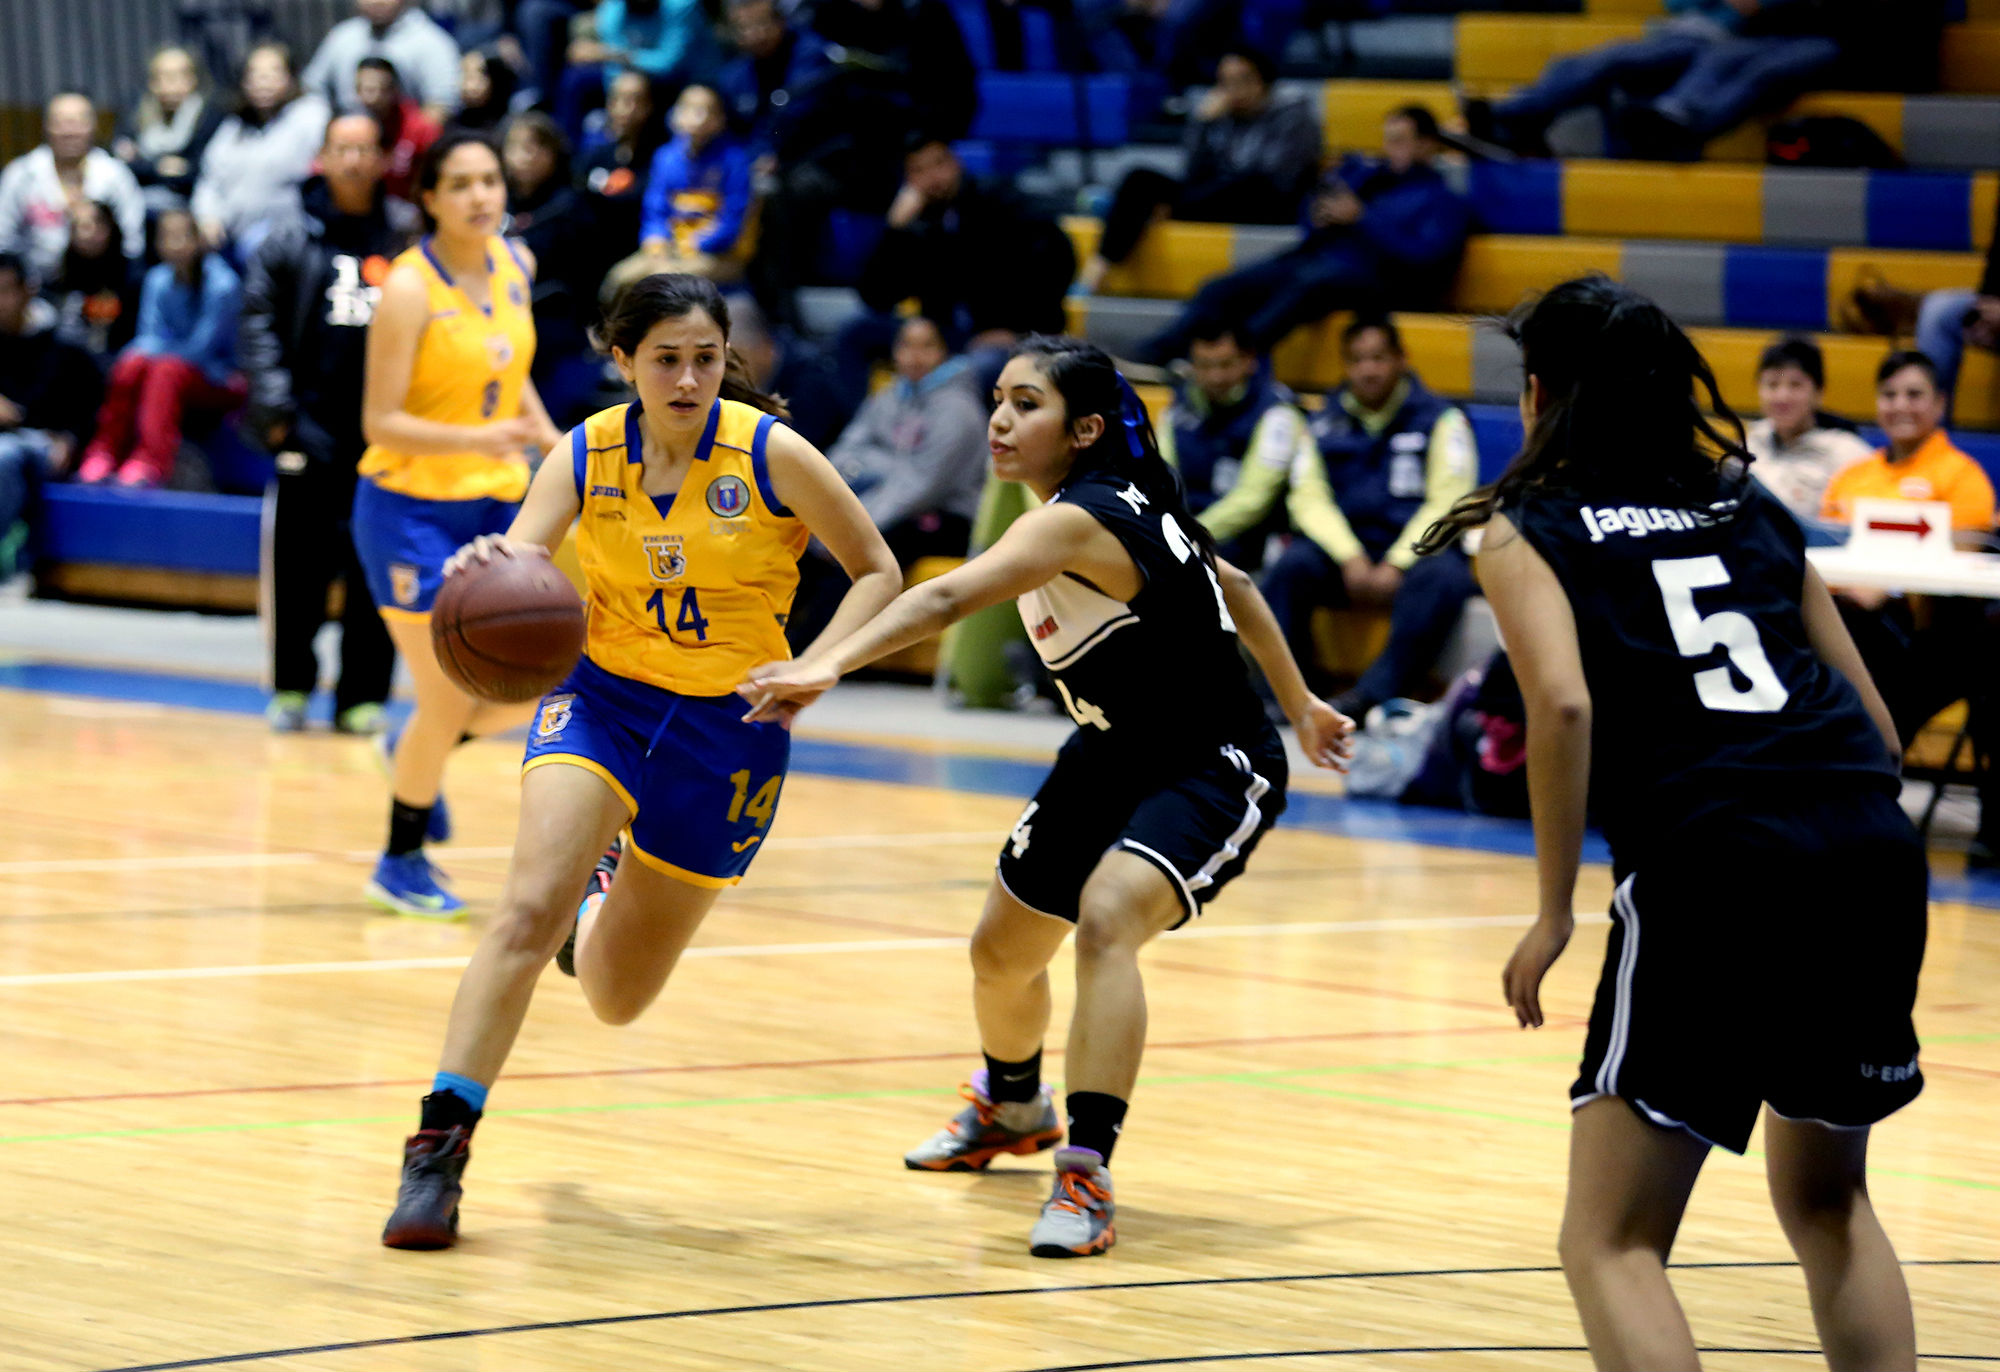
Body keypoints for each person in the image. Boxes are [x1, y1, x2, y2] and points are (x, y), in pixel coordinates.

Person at [741, 336, 1352, 1258]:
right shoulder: (1131, 504)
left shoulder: (1078, 519)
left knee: (1108, 919)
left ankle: (1085, 1172)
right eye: (996, 398)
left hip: (1211, 762)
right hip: (1109, 750)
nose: (998, 418)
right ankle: (1012, 1102)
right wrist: (1305, 700)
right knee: (999, 954)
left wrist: (821, 664)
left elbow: (943, 602)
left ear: (1085, 430)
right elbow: (1238, 588)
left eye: (1026, 404)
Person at [1413, 275, 1925, 1372]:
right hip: (1867, 845)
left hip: (1716, 856)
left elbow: (1558, 703)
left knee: (1609, 1239)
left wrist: (1552, 909)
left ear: (1541, 393)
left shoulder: (1523, 525)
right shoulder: (1749, 501)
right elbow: (1878, 731)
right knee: (1829, 1205)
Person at [379, 273, 903, 1250]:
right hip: (603, 702)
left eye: (705, 357)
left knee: (616, 997)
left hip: (731, 729)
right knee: (523, 909)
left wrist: (821, 660)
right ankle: (437, 1152)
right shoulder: (585, 453)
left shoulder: (771, 455)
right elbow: (518, 560)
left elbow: (880, 569)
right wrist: (480, 571)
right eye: (665, 357)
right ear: (622, 362)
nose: (689, 376)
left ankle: (598, 904)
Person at [353, 130, 564, 916]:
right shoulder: (409, 288)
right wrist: (482, 437)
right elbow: (380, 421)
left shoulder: (517, 265)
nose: (482, 196)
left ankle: (411, 750)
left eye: (491, 181)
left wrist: (548, 437)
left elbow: (512, 378)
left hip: (496, 501)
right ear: (430, 199)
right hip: (409, 508)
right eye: (462, 184)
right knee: (446, 691)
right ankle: (399, 858)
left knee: (541, 681)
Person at [242, 113, 419, 735]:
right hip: (307, 429)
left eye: (364, 149)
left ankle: (362, 697)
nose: (352, 160)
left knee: (376, 570)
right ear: (323, 156)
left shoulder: (405, 235)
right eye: (342, 149)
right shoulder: (289, 234)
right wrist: (278, 418)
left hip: (385, 436)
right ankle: (290, 687)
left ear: (381, 160)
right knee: (299, 570)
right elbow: (259, 322)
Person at [1820, 351, 2000, 862]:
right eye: (1890, 395)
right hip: (1852, 627)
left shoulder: (1962, 477)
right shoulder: (1852, 478)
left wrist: (1880, 588)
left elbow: (1959, 565)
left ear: (1940, 404)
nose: (1901, 405)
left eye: (1914, 394)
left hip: (1932, 639)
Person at [1255, 315, 1478, 722]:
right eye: (1357, 360)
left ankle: (1370, 698)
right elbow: (1309, 499)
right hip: (1347, 553)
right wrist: (1349, 556)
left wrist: (1397, 561)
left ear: (1402, 360)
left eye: (1378, 358)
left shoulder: (1443, 419)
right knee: (1290, 568)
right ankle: (1292, 695)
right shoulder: (1321, 420)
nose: (1368, 370)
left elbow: (1450, 500)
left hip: (1416, 552)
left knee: (1446, 579)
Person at [1135, 108, 1469, 364]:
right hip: (1317, 258)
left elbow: (1426, 258)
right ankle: (1154, 356)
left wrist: (1362, 219)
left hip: (1377, 280)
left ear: (1427, 144)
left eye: (1399, 140)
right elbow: (1312, 214)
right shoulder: (1368, 178)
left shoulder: (1443, 200)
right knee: (1222, 287)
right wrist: (1318, 215)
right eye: (1387, 139)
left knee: (1306, 285)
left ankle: (1229, 361)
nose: (1388, 148)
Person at [789, 313, 986, 647]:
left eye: (927, 347)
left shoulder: (958, 410)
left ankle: (813, 649)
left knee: (871, 552)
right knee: (802, 541)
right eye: (905, 345)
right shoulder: (891, 397)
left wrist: (854, 528)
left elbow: (920, 487)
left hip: (945, 517)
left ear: (946, 352)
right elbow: (843, 456)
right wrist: (885, 469)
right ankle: (769, 639)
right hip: (886, 504)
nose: (913, 356)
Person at [838, 135, 1075, 402]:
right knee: (855, 334)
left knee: (978, 368)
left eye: (939, 164)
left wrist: (1020, 331)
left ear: (955, 164)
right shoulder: (916, 225)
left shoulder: (1000, 203)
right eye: (919, 170)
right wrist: (895, 230)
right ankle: (858, 434)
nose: (932, 178)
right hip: (943, 334)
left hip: (1004, 336)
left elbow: (1058, 257)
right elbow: (876, 297)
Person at [1077, 48, 1319, 296]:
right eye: (1225, 82)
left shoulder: (1294, 114)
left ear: (1263, 81)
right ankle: (1094, 274)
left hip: (1266, 201)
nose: (1234, 89)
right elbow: (1194, 172)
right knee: (1140, 178)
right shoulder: (1224, 114)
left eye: (1242, 80)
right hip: (1210, 198)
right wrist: (1203, 122)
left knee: (1248, 182)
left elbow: (1278, 179)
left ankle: (1138, 209)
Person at [76, 208, 245, 488]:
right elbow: (147, 335)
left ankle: (151, 460)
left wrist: (156, 355)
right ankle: (104, 451)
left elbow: (202, 349)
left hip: (219, 377)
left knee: (164, 370)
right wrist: (142, 356)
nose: (176, 244)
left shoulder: (223, 284)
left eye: (183, 237)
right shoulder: (156, 279)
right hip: (168, 367)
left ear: (198, 239)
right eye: (168, 237)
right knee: (130, 362)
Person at [1158, 319, 1310, 572]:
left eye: (1225, 365)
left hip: (1246, 539)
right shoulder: (1178, 408)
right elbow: (1160, 479)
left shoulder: (1277, 413)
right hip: (1182, 531)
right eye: (1204, 366)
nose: (1215, 377)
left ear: (1248, 361)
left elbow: (1253, 499)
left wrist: (1189, 538)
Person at [0, 253, 102, 580]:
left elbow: (90, 403)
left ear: (28, 291)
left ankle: (15, 565)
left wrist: (71, 437)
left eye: (5, 291)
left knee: (4, 456)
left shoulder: (63, 343)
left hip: (44, 439)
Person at [502, 113, 602, 427]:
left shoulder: (570, 206)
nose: (525, 156)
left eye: (536, 148)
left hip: (552, 318)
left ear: (554, 153)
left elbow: (587, 275)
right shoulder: (493, 203)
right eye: (517, 147)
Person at [191, 43, 332, 258]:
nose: (262, 81)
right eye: (255, 74)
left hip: (290, 235)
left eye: (273, 72)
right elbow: (209, 181)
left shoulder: (311, 116)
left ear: (291, 77)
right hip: (227, 238)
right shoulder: (233, 127)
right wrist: (208, 217)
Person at [614, 84, 755, 289]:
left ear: (720, 119)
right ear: (675, 114)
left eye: (707, 110)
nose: (699, 117)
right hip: (670, 249)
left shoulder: (735, 161)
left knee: (662, 280)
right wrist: (657, 243)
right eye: (689, 108)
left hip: (717, 254)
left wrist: (693, 245)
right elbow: (655, 210)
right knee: (618, 280)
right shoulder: (665, 157)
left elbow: (733, 219)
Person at [0, 93, 145, 284]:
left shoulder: (115, 175)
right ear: (45, 126)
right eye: (60, 122)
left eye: (78, 121)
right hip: (35, 288)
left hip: (104, 284)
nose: (69, 131)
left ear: (94, 125)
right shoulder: (21, 174)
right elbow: (4, 239)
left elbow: (133, 242)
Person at [1744, 336, 1871, 526]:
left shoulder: (1848, 454)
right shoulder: (1750, 442)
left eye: (1795, 385)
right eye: (1772, 385)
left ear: (1818, 392)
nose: (1782, 396)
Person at [304, 0, 463, 125]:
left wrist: (407, 146)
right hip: (348, 135)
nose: (375, 1)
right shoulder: (343, 35)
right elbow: (312, 88)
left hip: (402, 142)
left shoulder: (432, 41)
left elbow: (441, 106)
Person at [113, 45, 228, 211]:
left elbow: (205, 171)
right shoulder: (135, 115)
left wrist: (147, 167)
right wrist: (158, 167)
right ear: (151, 82)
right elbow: (122, 165)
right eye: (162, 76)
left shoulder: (210, 117)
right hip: (141, 205)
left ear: (193, 79)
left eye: (178, 76)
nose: (169, 84)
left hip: (194, 206)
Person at [45, 200, 141, 369]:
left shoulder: (132, 276)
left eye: (92, 225)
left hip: (119, 360)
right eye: (78, 227)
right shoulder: (60, 275)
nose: (85, 235)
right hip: (70, 360)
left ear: (109, 227)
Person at [355, 57, 440, 201]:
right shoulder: (348, 128)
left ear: (394, 89)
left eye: (381, 89)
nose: (373, 98)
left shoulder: (420, 128)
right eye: (367, 90)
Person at [450, 46, 521, 133]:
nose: (468, 86)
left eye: (479, 76)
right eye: (465, 75)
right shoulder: (452, 123)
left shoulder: (513, 128)